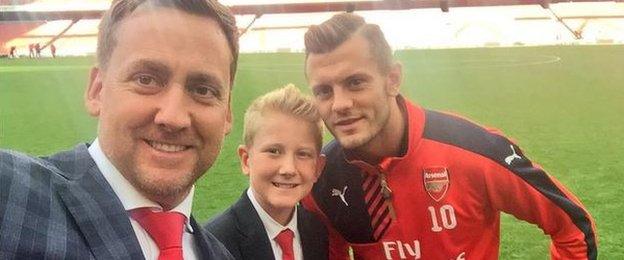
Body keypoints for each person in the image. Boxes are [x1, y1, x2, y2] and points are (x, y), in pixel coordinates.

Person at [300, 13, 597, 260]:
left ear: (392, 80)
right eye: (323, 91)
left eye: (355, 82)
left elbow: (574, 227)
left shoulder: (474, 148)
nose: (339, 104)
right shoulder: (321, 180)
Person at [0, 0, 240, 259]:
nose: (173, 117)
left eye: (203, 90)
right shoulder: (11, 194)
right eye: (146, 80)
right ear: (97, 91)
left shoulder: (219, 255)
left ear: (226, 113)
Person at [205, 85, 328, 260]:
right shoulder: (214, 244)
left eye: (303, 154)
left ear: (317, 168)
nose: (288, 169)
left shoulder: (318, 230)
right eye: (274, 151)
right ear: (246, 160)